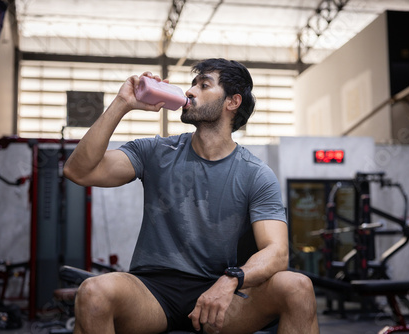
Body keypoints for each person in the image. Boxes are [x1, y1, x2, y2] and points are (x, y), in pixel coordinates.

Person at [64, 58, 319, 334]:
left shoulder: (255, 174)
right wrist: (122, 103)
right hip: (152, 292)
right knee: (94, 291)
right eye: (192, 84)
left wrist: (231, 280)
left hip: (220, 293)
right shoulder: (155, 151)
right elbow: (79, 171)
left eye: (203, 85)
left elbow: (277, 252)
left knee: (297, 287)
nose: (189, 92)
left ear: (232, 102)